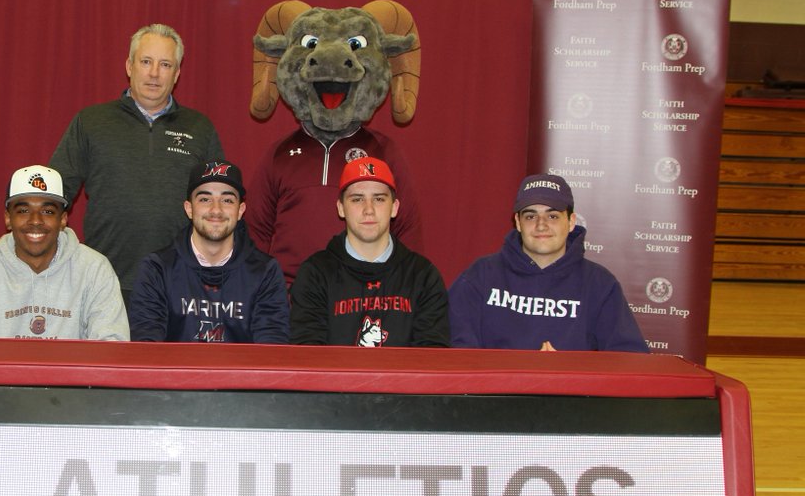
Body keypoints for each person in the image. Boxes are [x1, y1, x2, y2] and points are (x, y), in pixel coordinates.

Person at [48, 23, 225, 302]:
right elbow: (54, 193)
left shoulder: (200, 128)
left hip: (181, 282)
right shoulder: (92, 122)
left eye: (165, 64)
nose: (154, 73)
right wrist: (19, 237)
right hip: (105, 281)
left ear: (177, 73)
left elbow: (220, 203)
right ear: (130, 66)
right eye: (146, 62)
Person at [447, 174, 648, 352]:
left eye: (552, 216)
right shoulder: (480, 276)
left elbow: (627, 361)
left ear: (571, 222)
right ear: (517, 222)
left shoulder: (600, 284)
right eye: (530, 216)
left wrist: (566, 374)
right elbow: (454, 352)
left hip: (570, 394)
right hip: (494, 394)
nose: (541, 225)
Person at [0, 165, 128, 340]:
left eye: (48, 212)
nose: (35, 220)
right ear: (8, 218)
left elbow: (111, 346)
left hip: (71, 379)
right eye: (23, 210)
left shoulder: (94, 268)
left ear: (63, 219)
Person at [289, 157, 448, 347]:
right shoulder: (315, 274)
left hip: (402, 378)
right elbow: (308, 354)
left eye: (379, 199)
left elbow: (432, 357)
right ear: (341, 208)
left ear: (394, 208)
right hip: (335, 378)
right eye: (357, 199)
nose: (369, 210)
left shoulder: (423, 276)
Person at [129, 161, 289, 343]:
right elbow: (146, 348)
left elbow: (270, 352)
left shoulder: (265, 271)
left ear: (240, 211)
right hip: (174, 372)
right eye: (205, 199)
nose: (216, 210)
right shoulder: (157, 269)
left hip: (242, 373)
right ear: (189, 209)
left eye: (227, 200)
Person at [245, 130, 424, 285]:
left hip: (361, 296)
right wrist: (254, 291)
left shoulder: (383, 149)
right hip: (289, 294)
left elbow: (407, 229)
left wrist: (405, 293)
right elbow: (255, 229)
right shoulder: (280, 152)